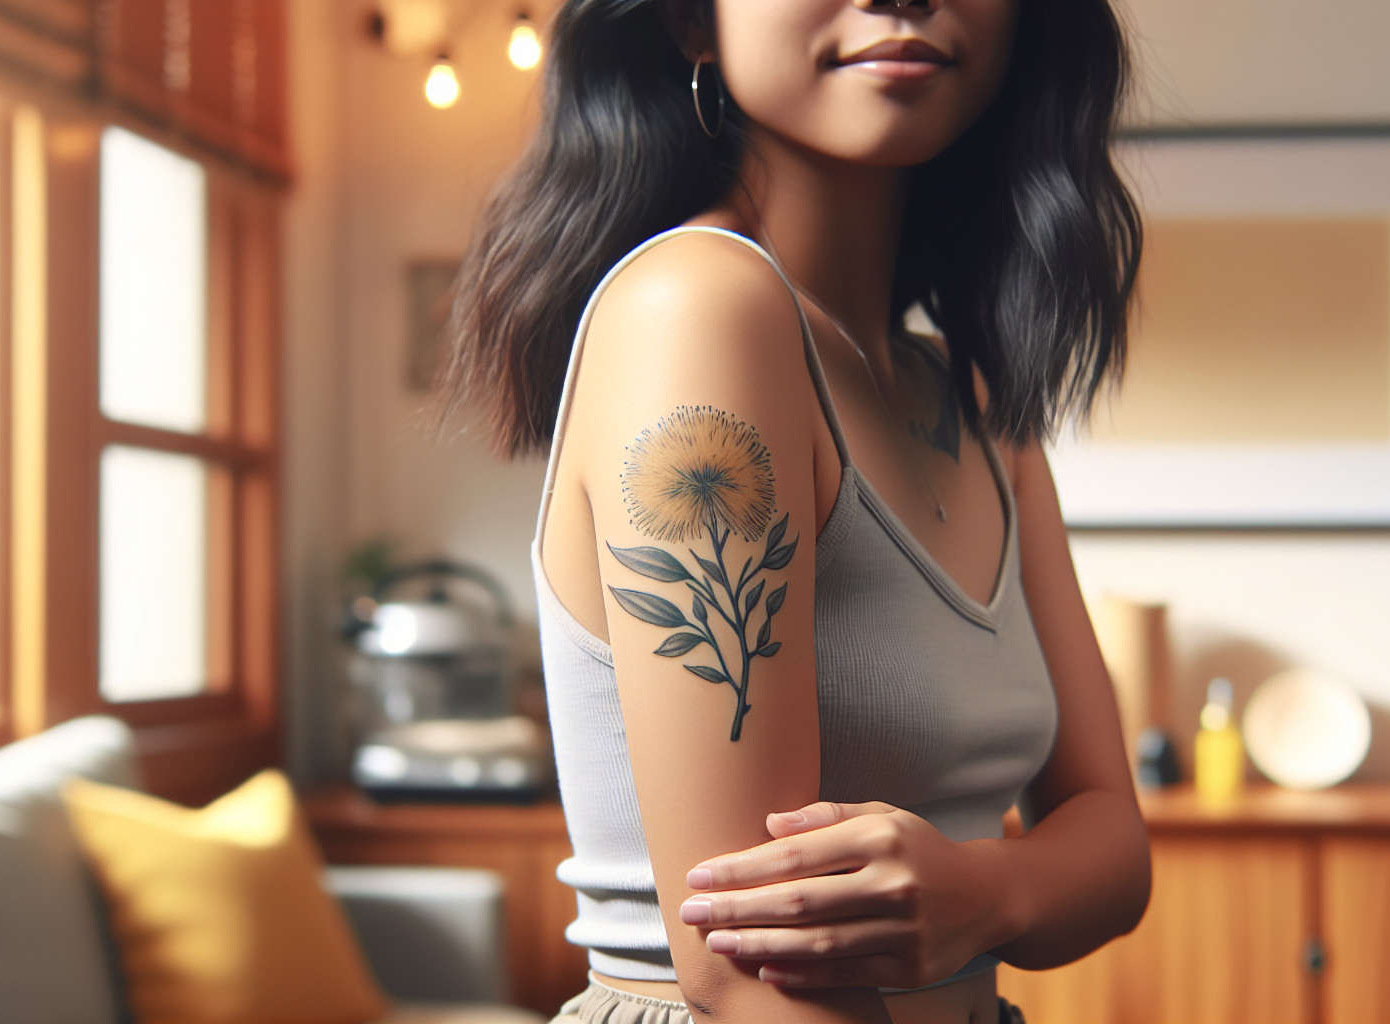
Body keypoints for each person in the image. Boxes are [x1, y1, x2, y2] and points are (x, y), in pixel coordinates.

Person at [433, 0, 1150, 1021]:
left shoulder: (977, 404)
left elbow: (1114, 841)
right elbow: (741, 967)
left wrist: (983, 891)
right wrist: (1007, 892)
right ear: (690, 21)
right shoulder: (695, 308)